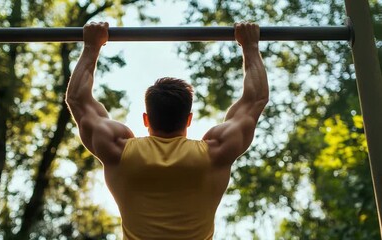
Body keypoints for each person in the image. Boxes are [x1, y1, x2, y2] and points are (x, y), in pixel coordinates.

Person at [66, 21, 268, 240]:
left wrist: (91, 47)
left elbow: (77, 100)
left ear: (146, 119)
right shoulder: (215, 153)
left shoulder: (118, 151)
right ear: (189, 119)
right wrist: (250, 46)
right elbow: (255, 99)